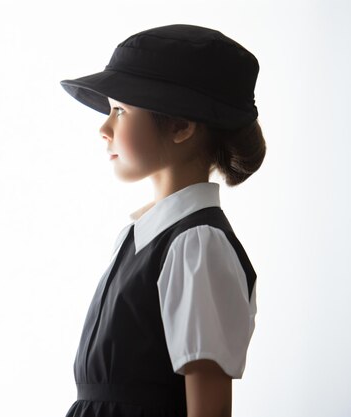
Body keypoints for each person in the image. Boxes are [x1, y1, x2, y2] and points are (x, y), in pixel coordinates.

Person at [59, 24, 266, 417]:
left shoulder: (197, 245)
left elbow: (210, 409)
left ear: (181, 126)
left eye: (120, 110)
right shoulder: (140, 238)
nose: (104, 128)